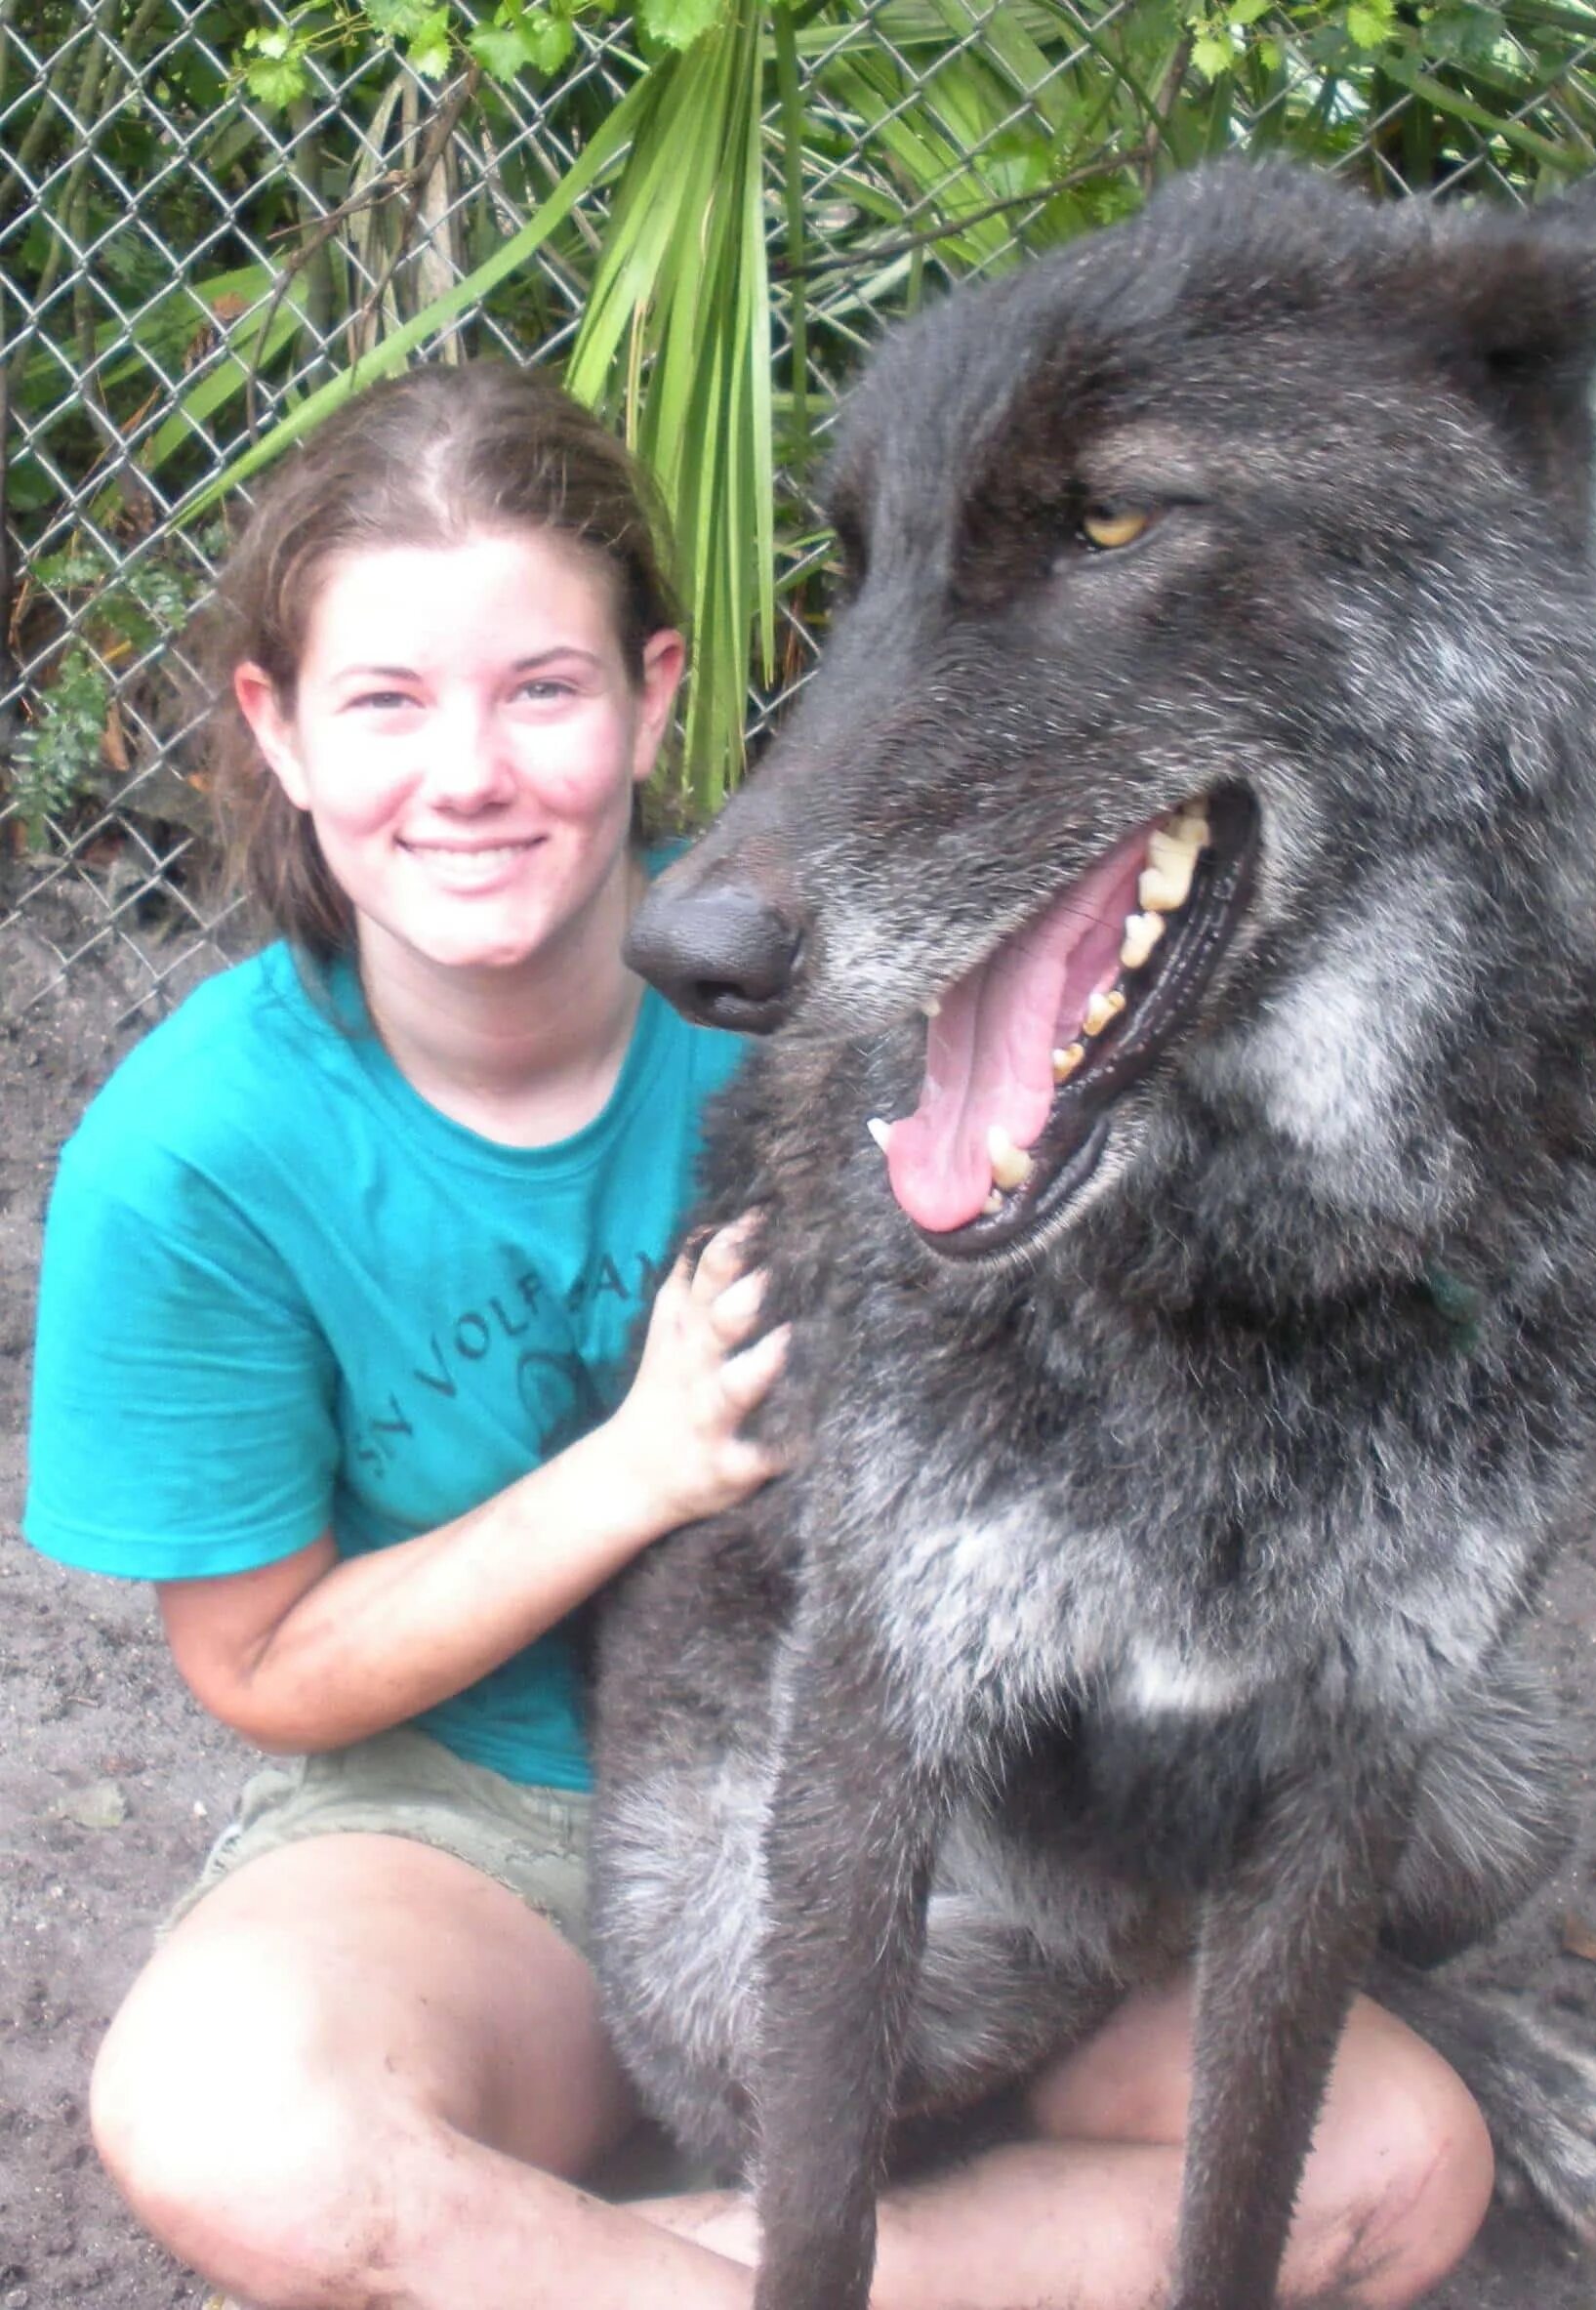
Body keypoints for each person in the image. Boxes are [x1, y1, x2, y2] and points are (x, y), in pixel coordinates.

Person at [23, 362, 1494, 2310]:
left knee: (1395, 2163)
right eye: (385, 701)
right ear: (277, 735)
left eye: (539, 691)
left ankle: (620, 2271)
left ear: (649, 698)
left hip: (961, 1830)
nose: (466, 771)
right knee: (226, 2120)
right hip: (482, 1840)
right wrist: (637, 1472)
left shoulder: (905, 974)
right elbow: (269, 1667)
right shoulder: (192, 1154)